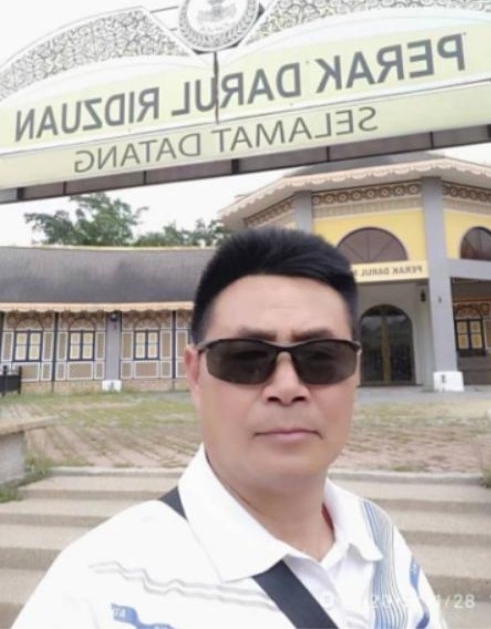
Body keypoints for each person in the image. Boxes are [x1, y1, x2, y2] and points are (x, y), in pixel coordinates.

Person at [13, 227, 446, 629]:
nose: (287, 388)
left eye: (322, 357)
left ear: (355, 372)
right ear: (195, 374)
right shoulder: (98, 588)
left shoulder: (380, 539)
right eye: (244, 357)